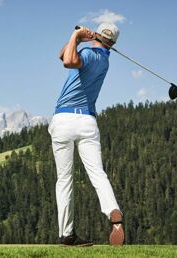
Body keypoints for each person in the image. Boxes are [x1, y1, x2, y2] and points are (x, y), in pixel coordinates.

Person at [48, 23, 124, 247]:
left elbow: (68, 61)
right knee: (97, 173)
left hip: (64, 120)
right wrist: (78, 40)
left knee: (65, 179)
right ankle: (113, 211)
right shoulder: (104, 59)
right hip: (88, 122)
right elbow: (63, 55)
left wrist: (74, 34)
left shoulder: (88, 54)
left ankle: (67, 234)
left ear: (97, 35)